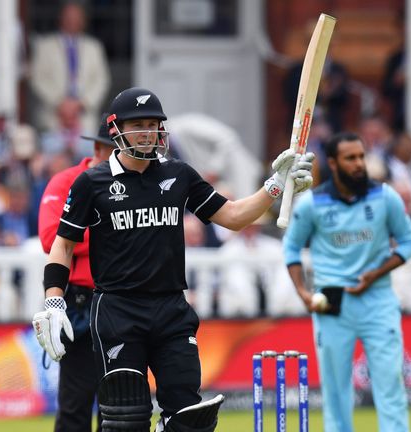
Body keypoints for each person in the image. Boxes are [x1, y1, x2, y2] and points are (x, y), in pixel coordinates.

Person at [32, 87, 315, 432]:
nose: (148, 132)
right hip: (118, 312)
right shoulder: (91, 182)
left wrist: (276, 185)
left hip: (171, 311)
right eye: (138, 125)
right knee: (125, 421)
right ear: (115, 129)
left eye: (153, 124)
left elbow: (234, 216)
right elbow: (61, 245)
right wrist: (54, 303)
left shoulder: (178, 174)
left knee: (188, 418)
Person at [282, 132, 411, 432]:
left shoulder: (385, 197)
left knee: (390, 385)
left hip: (378, 299)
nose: (359, 164)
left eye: (361, 156)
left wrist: (376, 273)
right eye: (350, 158)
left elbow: (410, 242)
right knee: (335, 391)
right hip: (332, 301)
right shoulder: (312, 205)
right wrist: (304, 293)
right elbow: (291, 249)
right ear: (333, 163)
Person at [36, 114, 117, 432]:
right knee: (75, 404)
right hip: (81, 302)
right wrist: (108, 233)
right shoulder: (65, 181)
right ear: (98, 149)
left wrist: (84, 236)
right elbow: (50, 238)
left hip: (119, 300)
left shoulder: (133, 185)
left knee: (120, 403)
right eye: (114, 150)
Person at [30, 2, 110, 134]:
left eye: (76, 17)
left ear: (83, 21)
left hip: (84, 118)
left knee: (85, 153)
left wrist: (81, 104)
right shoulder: (45, 46)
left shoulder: (94, 47)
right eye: (68, 17)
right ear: (60, 19)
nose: (72, 21)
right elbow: (37, 78)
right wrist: (61, 103)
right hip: (53, 117)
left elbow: (102, 80)